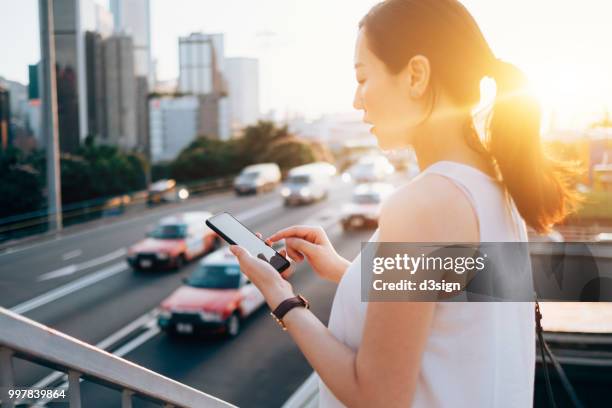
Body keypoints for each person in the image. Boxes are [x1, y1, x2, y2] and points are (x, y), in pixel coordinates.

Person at [229, 0, 581, 406]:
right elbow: (451, 309)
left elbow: (377, 395)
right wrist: (349, 272)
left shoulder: (423, 204)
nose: (357, 100)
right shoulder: (492, 188)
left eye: (363, 78)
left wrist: (280, 295)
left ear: (416, 75)